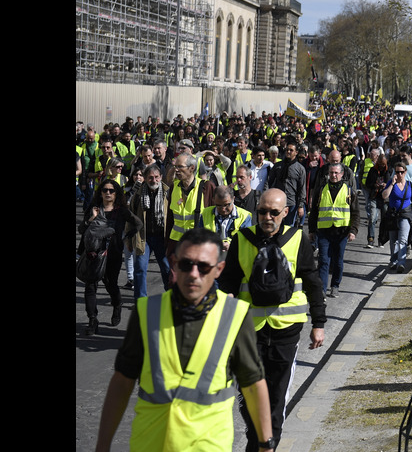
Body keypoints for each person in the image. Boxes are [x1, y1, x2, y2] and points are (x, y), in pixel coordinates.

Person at [95, 228, 274, 452]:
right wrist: (103, 444)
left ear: (219, 269)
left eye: (204, 267)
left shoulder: (235, 315)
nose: (194, 274)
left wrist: (266, 444)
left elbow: (253, 385)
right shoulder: (147, 312)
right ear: (174, 264)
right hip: (151, 444)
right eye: (187, 264)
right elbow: (122, 382)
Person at [218, 188, 326, 452]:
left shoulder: (297, 238)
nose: (267, 217)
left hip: (285, 331)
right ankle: (258, 439)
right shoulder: (241, 239)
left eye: (274, 212)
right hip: (248, 333)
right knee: (249, 397)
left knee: (276, 401)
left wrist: (319, 324)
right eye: (262, 211)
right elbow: (227, 284)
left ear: (285, 213)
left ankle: (266, 445)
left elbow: (312, 282)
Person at [79, 179, 143, 335]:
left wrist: (127, 237)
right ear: (100, 193)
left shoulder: (121, 211)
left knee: (110, 284)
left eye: (111, 191)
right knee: (90, 286)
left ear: (116, 194)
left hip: (112, 253)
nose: (108, 193)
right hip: (93, 253)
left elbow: (138, 223)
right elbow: (81, 229)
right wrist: (91, 219)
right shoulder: (93, 209)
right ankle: (92, 320)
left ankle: (117, 304)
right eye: (105, 190)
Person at [310, 162, 361, 297]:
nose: (333, 175)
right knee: (323, 260)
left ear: (342, 174)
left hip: (341, 232)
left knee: (338, 261)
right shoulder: (322, 189)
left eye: (336, 173)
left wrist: (353, 230)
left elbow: (355, 213)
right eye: (331, 173)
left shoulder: (349, 191)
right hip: (324, 231)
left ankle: (335, 285)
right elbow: (314, 211)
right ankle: (322, 289)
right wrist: (311, 230)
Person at [129, 165, 173, 299]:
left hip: (162, 237)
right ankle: (140, 300)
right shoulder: (138, 193)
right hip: (144, 237)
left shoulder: (168, 192)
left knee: (166, 269)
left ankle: (170, 297)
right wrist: (128, 239)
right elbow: (130, 217)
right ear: (145, 178)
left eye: (156, 177)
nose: (153, 180)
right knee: (140, 269)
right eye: (150, 177)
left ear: (161, 177)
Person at [382, 161, 412, 272]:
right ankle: (393, 261)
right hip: (392, 215)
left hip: (405, 214)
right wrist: (391, 184)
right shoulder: (391, 183)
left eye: (401, 172)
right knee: (393, 240)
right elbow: (384, 196)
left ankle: (401, 262)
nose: (399, 174)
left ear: (405, 172)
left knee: (403, 240)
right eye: (397, 172)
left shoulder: (410, 185)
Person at [201, 185, 253, 261]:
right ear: (213, 200)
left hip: (235, 261)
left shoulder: (245, 216)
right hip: (211, 260)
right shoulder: (206, 213)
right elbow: (200, 237)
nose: (223, 209)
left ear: (233, 199)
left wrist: (231, 245)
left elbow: (246, 242)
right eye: (218, 205)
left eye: (226, 205)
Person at [266, 140, 306, 226]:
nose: (288, 152)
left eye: (291, 150)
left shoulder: (300, 169)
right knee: (275, 225)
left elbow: (302, 188)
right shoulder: (278, 166)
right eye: (287, 149)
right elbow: (269, 182)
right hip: (277, 202)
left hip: (291, 203)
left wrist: (301, 206)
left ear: (296, 152)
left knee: (288, 228)